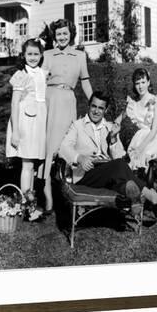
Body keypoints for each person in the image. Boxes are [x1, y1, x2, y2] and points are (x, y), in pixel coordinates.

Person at [59, 92, 157, 215]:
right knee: (118, 166)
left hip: (108, 174)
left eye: (100, 108)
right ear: (89, 106)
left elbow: (119, 156)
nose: (96, 111)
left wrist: (113, 139)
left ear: (105, 110)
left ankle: (133, 196)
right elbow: (63, 148)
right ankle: (152, 197)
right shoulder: (77, 125)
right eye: (94, 106)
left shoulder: (110, 127)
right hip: (86, 174)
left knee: (124, 179)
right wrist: (80, 158)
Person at [40, 19, 93, 213]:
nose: (62, 37)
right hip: (50, 102)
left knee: (70, 148)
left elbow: (85, 82)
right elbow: (39, 82)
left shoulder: (80, 56)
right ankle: (48, 201)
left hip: (69, 102)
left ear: (71, 34)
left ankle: (74, 197)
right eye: (58, 34)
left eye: (65, 33)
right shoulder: (47, 55)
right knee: (49, 151)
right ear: (54, 36)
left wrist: (94, 102)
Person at [6, 38, 47, 201]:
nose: (32, 57)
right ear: (23, 55)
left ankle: (29, 199)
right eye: (29, 54)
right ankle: (26, 202)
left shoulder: (43, 73)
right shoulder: (21, 75)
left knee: (32, 164)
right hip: (25, 124)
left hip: (38, 123)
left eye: (36, 54)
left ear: (41, 55)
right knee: (27, 164)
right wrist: (16, 131)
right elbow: (14, 103)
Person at [125, 68, 157, 171]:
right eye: (137, 83)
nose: (140, 86)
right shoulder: (134, 104)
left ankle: (150, 182)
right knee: (133, 162)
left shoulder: (156, 101)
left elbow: (154, 130)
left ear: (148, 82)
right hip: (141, 137)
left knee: (144, 156)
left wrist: (140, 148)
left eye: (143, 82)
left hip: (155, 137)